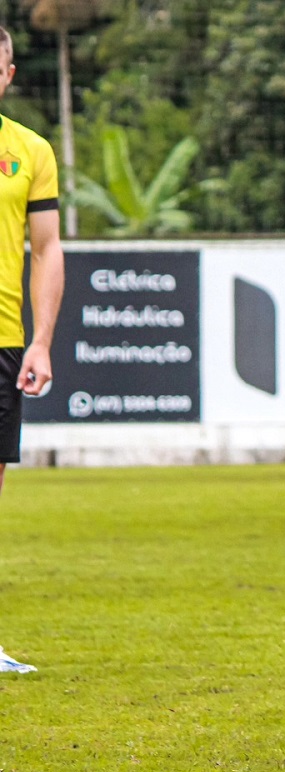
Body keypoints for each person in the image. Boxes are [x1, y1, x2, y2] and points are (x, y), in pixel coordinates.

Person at [0, 25, 65, 676]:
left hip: (3, 340)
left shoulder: (30, 152)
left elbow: (46, 249)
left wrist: (40, 342)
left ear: (9, 75)